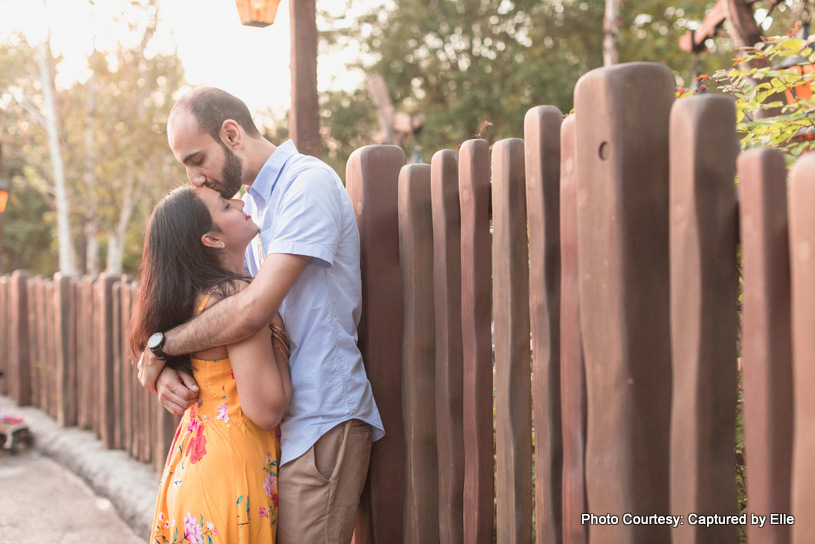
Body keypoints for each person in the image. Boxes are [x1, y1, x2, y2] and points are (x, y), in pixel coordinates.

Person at [137, 86, 384, 544]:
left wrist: (162, 346)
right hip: (281, 433)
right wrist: (162, 364)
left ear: (231, 133)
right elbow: (220, 316)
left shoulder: (305, 185)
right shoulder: (256, 210)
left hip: (321, 417)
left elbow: (248, 310)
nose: (195, 178)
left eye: (196, 159)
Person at [131, 185, 292, 543]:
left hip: (191, 469)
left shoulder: (192, 300)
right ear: (213, 239)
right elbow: (265, 409)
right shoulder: (234, 295)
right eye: (226, 205)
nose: (240, 202)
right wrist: (275, 329)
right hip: (230, 474)